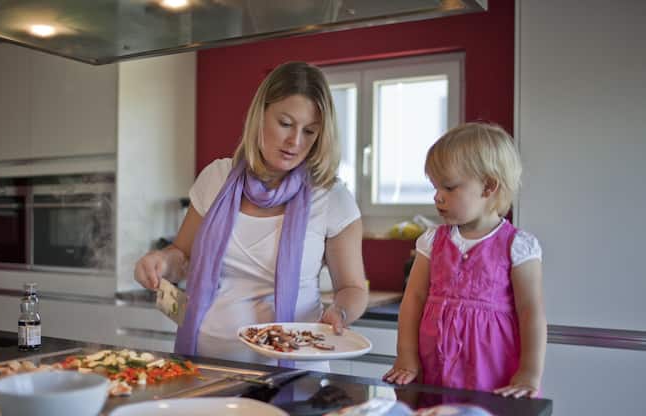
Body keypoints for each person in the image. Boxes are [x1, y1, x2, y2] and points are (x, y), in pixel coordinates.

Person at [134, 61, 368, 369]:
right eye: (285, 123)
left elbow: (353, 288)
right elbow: (182, 258)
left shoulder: (332, 197)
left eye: (310, 131)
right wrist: (161, 262)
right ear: (260, 116)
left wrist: (340, 312)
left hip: (295, 370)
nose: (295, 142)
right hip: (208, 365)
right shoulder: (215, 177)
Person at [382, 122, 546, 398]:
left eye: (448, 187)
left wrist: (529, 372)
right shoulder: (431, 242)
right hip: (435, 370)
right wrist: (406, 355)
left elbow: (530, 311)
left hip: (493, 374)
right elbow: (413, 300)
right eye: (435, 187)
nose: (437, 197)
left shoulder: (517, 246)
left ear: (488, 187)